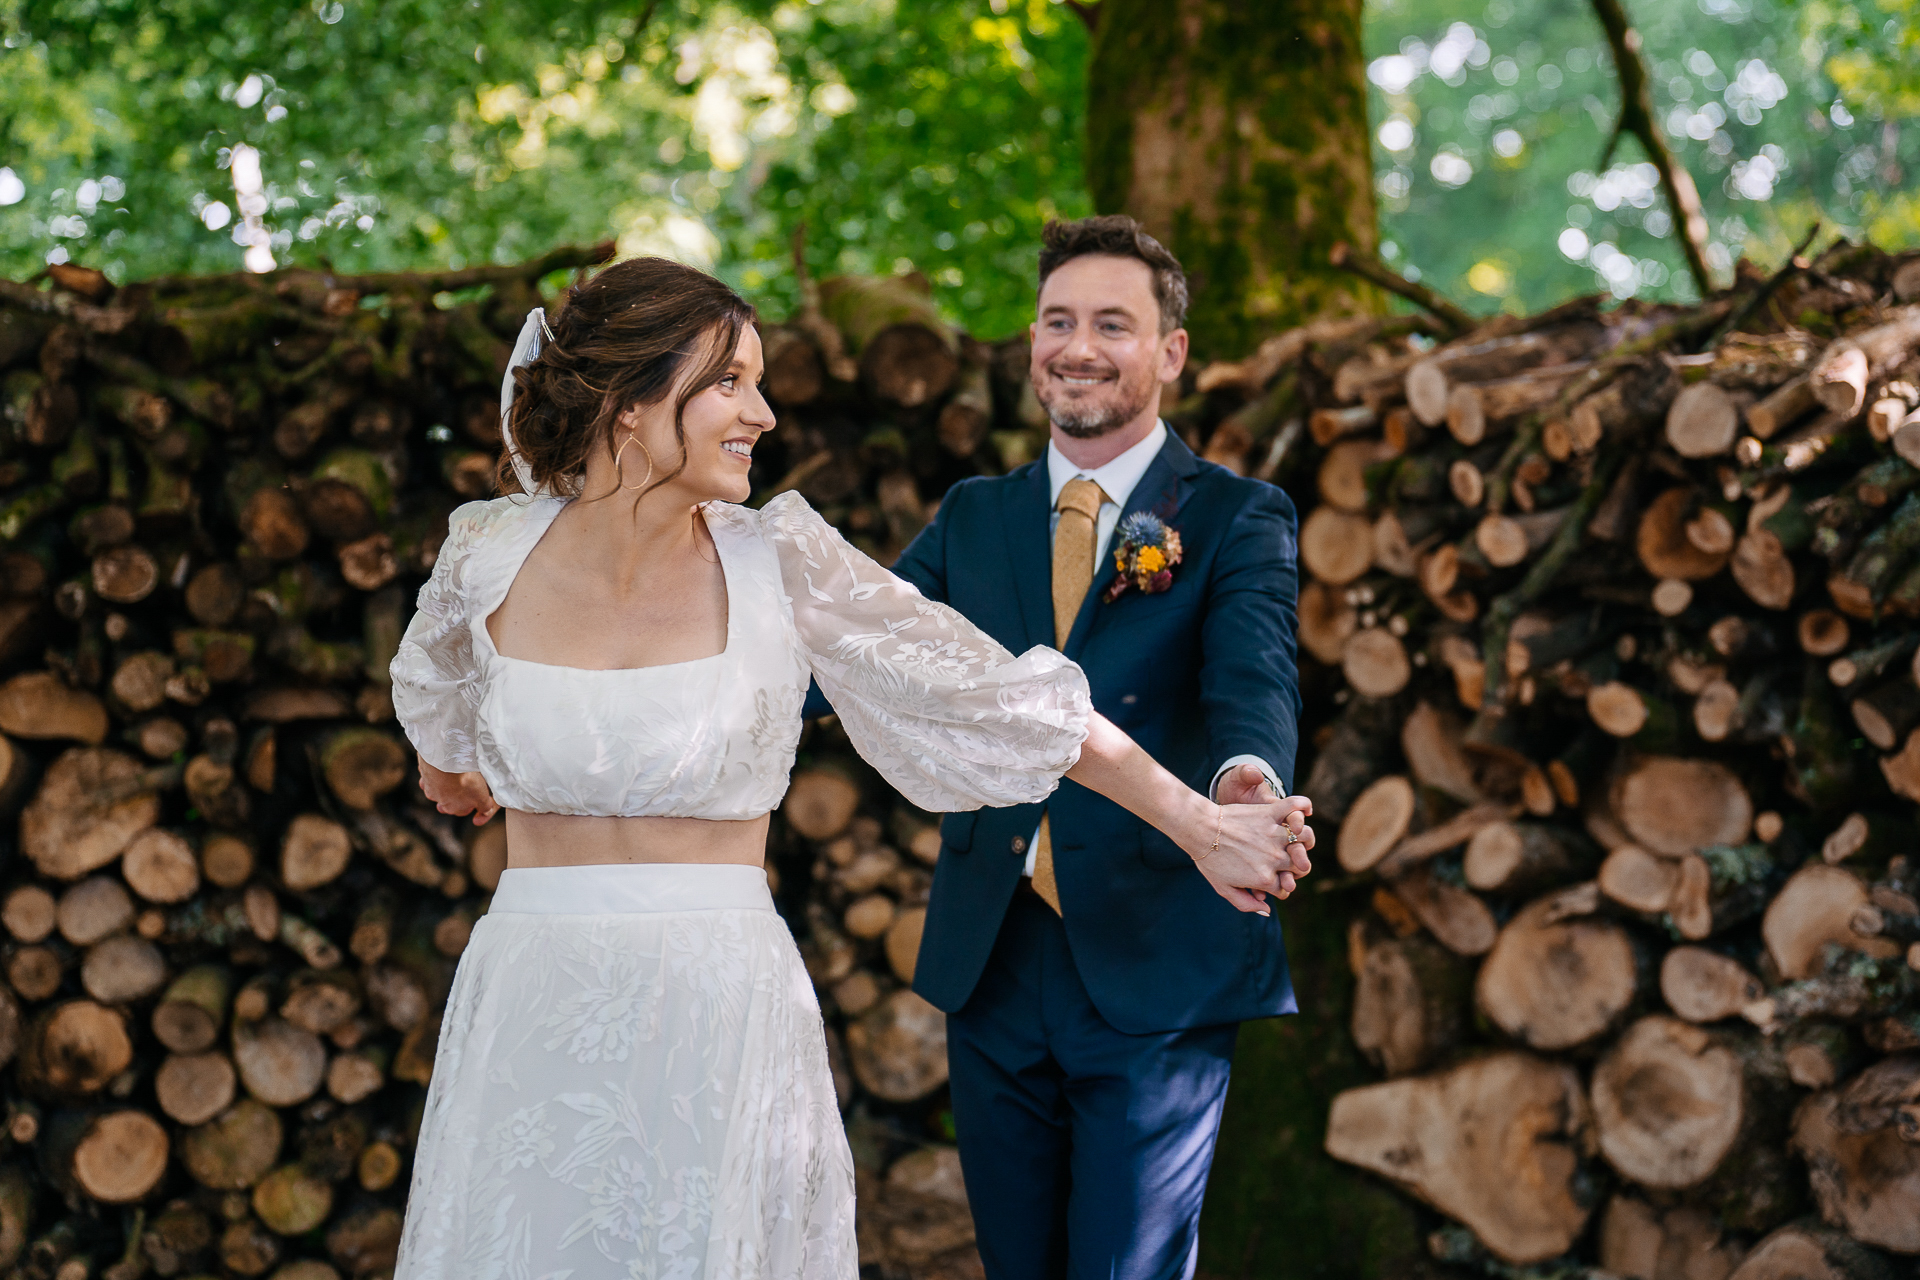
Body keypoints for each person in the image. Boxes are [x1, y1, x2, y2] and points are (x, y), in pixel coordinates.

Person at [386, 255, 1307, 1279]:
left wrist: (1200, 821)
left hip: (717, 1005)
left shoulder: (781, 562)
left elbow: (1007, 703)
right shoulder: (484, 553)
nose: (765, 413)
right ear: (629, 400)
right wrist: (461, 770)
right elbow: (438, 710)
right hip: (532, 994)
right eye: (730, 380)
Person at [822, 215, 1313, 1278]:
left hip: (1153, 957)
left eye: (1111, 323)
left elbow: (1252, 679)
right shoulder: (971, 515)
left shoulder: (1235, 515)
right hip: (991, 957)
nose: (1076, 346)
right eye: (1057, 320)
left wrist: (1242, 787)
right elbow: (856, 656)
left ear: (1170, 352)